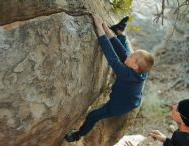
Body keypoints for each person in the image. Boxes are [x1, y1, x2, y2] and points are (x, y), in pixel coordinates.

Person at [65, 14, 155, 142]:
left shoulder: (127, 74)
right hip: (132, 93)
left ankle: (77, 135)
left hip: (120, 105)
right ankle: (118, 32)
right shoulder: (138, 69)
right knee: (125, 52)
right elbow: (124, 54)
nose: (129, 57)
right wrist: (107, 29)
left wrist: (99, 28)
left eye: (132, 58)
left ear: (134, 66)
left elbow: (112, 56)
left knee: (92, 116)